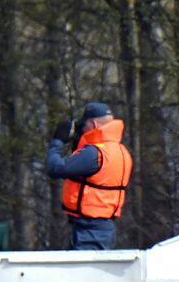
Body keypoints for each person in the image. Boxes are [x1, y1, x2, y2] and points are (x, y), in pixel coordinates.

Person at [45, 102, 133, 251]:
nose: (83, 129)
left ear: (93, 124)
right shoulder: (121, 151)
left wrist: (57, 141)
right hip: (105, 226)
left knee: (83, 272)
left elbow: (55, 168)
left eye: (84, 125)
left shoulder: (95, 153)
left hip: (89, 229)